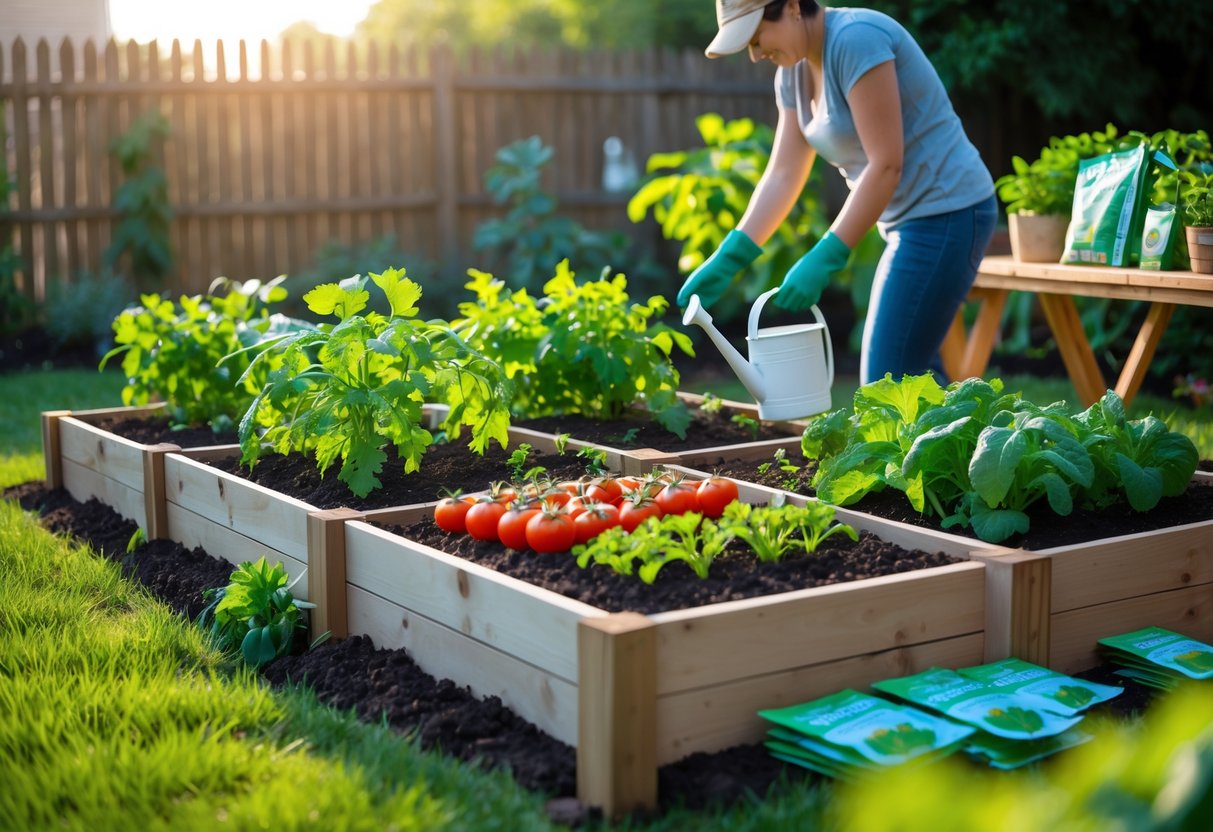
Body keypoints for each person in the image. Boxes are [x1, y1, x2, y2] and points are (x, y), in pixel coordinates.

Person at [678, 0, 997, 384]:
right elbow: (783, 174)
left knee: (888, 383)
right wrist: (730, 257)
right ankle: (967, 440)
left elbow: (886, 165)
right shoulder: (792, 72)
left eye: (756, 36)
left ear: (794, 7)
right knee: (900, 381)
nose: (755, 54)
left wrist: (826, 256)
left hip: (949, 212)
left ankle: (979, 440)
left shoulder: (856, 40)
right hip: (910, 221)